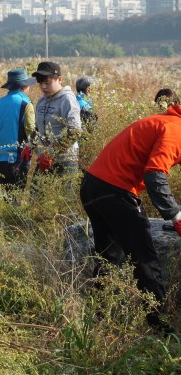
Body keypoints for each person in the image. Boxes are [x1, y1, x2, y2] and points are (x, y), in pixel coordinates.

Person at [80, 104, 181, 333]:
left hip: (92, 185)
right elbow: (155, 174)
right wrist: (175, 216)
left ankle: (98, 321)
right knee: (145, 257)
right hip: (115, 191)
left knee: (109, 256)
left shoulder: (166, 122)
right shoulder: (176, 130)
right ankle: (160, 327)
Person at [0, 68, 36, 200]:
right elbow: (32, 133)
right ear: (25, 86)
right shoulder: (26, 105)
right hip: (16, 161)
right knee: (16, 199)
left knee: (8, 197)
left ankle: (8, 219)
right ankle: (13, 221)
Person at [30, 61, 82, 175]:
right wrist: (29, 145)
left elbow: (75, 131)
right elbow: (38, 128)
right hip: (43, 161)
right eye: (40, 83)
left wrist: (51, 153)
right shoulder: (41, 101)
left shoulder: (67, 100)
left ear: (60, 79)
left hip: (65, 162)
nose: (43, 87)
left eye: (47, 82)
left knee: (63, 193)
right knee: (36, 193)